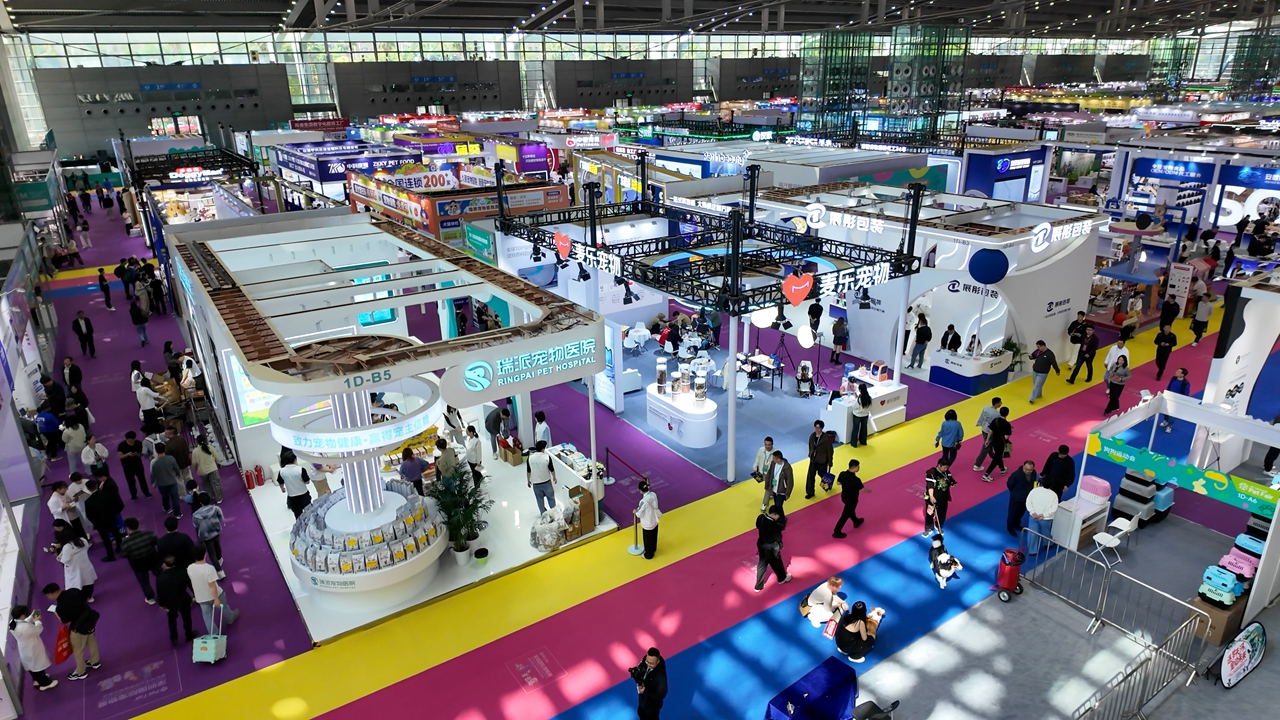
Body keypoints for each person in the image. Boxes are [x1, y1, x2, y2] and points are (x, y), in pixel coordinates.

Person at [42, 583, 99, 681]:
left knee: (78, 650)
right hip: (90, 620)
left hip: (79, 628)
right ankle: (95, 661)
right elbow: (84, 599)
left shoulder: (60, 607)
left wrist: (56, 614)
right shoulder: (73, 591)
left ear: (51, 594)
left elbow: (66, 622)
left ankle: (81, 671)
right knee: (91, 641)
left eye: (47, 595)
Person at [188, 543, 240, 634]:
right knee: (224, 606)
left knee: (207, 616)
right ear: (205, 554)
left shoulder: (190, 568)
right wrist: (216, 598)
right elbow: (212, 585)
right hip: (214, 595)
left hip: (201, 597)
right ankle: (230, 617)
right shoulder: (209, 568)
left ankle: (214, 633)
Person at [10, 606, 58, 691]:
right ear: (21, 615)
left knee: (32, 666)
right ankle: (45, 684)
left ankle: (37, 680)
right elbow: (38, 630)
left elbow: (24, 622)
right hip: (32, 649)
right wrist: (37, 621)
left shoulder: (12, 623)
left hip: (25, 649)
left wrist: (31, 617)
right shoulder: (25, 628)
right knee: (38, 667)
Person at [156, 556, 196, 647]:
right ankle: (189, 634)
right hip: (183, 599)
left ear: (165, 565)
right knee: (187, 618)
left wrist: (161, 604)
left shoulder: (160, 578)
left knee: (172, 620)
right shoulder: (182, 572)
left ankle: (174, 638)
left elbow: (160, 592)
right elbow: (190, 584)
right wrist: (195, 594)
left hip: (170, 602)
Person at [119, 518, 160, 605]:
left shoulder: (125, 542)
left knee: (144, 582)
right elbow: (157, 543)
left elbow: (123, 554)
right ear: (138, 525)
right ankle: (165, 591)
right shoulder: (149, 534)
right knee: (160, 575)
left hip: (138, 565)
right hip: (153, 560)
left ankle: (150, 598)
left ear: (128, 528)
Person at [83, 478, 123, 561]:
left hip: (100, 523)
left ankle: (110, 556)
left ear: (88, 489)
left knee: (106, 539)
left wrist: (96, 522)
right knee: (116, 533)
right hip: (111, 518)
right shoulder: (106, 494)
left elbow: (89, 515)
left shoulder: (88, 502)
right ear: (96, 485)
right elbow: (113, 505)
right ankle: (120, 548)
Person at [753, 505, 791, 592]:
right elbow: (778, 537)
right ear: (773, 515)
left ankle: (758, 586)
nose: (778, 518)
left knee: (762, 565)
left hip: (761, 544)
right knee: (777, 563)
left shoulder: (760, 518)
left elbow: (757, 526)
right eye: (778, 516)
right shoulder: (774, 525)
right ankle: (782, 578)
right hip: (771, 548)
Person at [832, 459, 868, 537]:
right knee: (845, 515)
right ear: (854, 467)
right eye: (858, 466)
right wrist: (869, 491)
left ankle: (856, 521)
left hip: (844, 497)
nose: (859, 468)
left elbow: (838, 483)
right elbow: (862, 489)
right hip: (852, 500)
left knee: (850, 511)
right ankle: (836, 531)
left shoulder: (842, 474)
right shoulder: (856, 480)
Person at [192, 493, 225, 577]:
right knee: (218, 546)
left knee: (212, 554)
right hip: (216, 532)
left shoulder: (195, 515)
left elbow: (196, 527)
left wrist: (199, 538)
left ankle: (220, 572)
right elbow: (221, 519)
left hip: (206, 537)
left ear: (200, 503)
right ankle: (219, 559)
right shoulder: (216, 509)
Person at [57, 535, 97, 602]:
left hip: (74, 569)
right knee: (88, 582)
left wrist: (60, 558)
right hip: (85, 565)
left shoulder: (67, 546)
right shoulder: (83, 540)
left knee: (76, 585)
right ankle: (89, 597)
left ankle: (80, 600)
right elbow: (87, 548)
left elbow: (64, 560)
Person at [150, 442, 184, 518]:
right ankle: (177, 513)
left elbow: (153, 474)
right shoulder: (171, 458)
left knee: (164, 497)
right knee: (175, 498)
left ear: (156, 451)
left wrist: (152, 483)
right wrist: (178, 474)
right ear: (164, 449)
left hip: (161, 483)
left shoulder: (154, 462)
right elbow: (177, 468)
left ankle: (167, 508)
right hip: (172, 482)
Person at [633, 648, 668, 720]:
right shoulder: (645, 660)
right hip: (643, 701)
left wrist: (644, 691)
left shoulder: (660, 677)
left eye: (651, 663)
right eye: (647, 661)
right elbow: (641, 666)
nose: (648, 665)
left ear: (657, 662)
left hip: (652, 707)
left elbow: (661, 695)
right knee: (640, 713)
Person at [924, 458, 956, 536]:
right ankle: (928, 528)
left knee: (942, 514)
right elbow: (930, 486)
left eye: (947, 467)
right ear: (939, 465)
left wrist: (952, 483)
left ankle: (938, 526)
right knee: (930, 513)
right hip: (933, 497)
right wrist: (931, 496)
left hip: (943, 497)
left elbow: (950, 480)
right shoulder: (931, 473)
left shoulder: (946, 472)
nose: (946, 469)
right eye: (944, 467)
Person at [981, 406, 1013, 483]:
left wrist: (987, 440)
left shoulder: (995, 420)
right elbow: (1006, 437)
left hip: (994, 442)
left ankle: (1002, 469)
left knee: (998, 456)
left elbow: (990, 431)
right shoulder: (1007, 424)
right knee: (996, 458)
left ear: (999, 412)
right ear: (1007, 414)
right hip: (1001, 444)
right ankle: (986, 474)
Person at [277, 450, 313, 518]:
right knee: (309, 512)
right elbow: (307, 482)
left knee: (297, 514)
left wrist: (282, 488)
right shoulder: (301, 469)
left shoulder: (281, 471)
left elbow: (280, 482)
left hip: (292, 497)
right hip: (304, 494)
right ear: (295, 460)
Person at [525, 440, 558, 514]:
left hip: (536, 483)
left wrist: (528, 480)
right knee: (551, 498)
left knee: (539, 500)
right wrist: (554, 477)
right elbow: (551, 469)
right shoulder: (547, 457)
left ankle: (544, 514)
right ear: (543, 449)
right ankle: (554, 513)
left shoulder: (530, 458)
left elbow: (528, 471)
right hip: (546, 482)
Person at [1025, 484, 1059, 554]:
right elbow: (1053, 508)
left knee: (1032, 533)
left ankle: (1032, 550)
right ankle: (1048, 544)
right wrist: (1044, 515)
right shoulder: (1053, 495)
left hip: (1033, 516)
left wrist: (1032, 512)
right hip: (1046, 518)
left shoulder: (1034, 491)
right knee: (1046, 532)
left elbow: (1028, 502)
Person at [117, 431, 151, 500]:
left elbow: (141, 454)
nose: (133, 440)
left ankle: (146, 492)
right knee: (130, 481)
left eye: (133, 439)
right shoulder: (122, 445)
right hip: (127, 467)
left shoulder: (138, 443)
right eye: (131, 439)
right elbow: (120, 456)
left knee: (142, 479)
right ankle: (133, 495)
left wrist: (137, 454)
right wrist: (128, 454)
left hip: (138, 465)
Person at [971, 397, 1003, 471]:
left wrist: (980, 424)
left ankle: (992, 455)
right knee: (986, 447)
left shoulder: (986, 408)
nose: (1001, 403)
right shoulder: (997, 414)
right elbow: (996, 425)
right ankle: (977, 464)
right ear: (997, 403)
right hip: (990, 432)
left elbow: (982, 417)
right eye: (1000, 402)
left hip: (984, 429)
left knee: (988, 445)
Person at [1006, 460, 1036, 537]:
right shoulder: (1016, 475)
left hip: (1026, 497)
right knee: (1012, 513)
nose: (1028, 471)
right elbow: (1009, 484)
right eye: (1026, 469)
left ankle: (1016, 524)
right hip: (1016, 497)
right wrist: (1015, 492)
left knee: (1021, 512)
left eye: (1030, 470)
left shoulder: (1034, 473)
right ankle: (1010, 527)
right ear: (1023, 467)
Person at [805, 420, 834, 499]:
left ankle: (828, 484)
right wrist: (810, 454)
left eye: (818, 428)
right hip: (813, 460)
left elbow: (830, 451)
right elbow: (810, 446)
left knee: (823, 475)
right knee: (810, 477)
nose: (817, 429)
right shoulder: (812, 436)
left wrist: (830, 462)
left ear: (822, 428)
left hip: (822, 460)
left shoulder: (826, 438)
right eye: (816, 428)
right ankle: (810, 492)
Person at [1158, 368, 1192, 433]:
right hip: (1168, 397)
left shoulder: (1185, 383)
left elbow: (1186, 394)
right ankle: (1166, 420)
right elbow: (1169, 386)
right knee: (1164, 411)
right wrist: (1166, 393)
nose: (1176, 372)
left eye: (1179, 372)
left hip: (1177, 401)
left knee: (1172, 414)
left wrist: (1181, 400)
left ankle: (1169, 426)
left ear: (1182, 374)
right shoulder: (1173, 378)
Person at [635, 480, 662, 560]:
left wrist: (635, 512)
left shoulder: (643, 501)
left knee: (648, 540)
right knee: (654, 536)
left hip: (647, 523)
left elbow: (639, 514)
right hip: (655, 520)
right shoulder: (653, 494)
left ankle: (649, 555)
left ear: (640, 491)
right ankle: (653, 549)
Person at [191, 435, 222, 503]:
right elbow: (216, 457)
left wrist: (196, 469)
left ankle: (210, 496)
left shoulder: (195, 451)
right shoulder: (210, 447)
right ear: (205, 440)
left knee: (206, 484)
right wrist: (219, 463)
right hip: (212, 469)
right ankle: (219, 498)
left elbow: (194, 463)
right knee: (215, 483)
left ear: (197, 442)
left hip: (202, 471)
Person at [754, 436, 776, 510]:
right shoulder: (761, 450)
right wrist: (755, 466)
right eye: (766, 444)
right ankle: (772, 494)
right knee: (769, 485)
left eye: (769, 445)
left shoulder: (775, 452)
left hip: (770, 473)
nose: (767, 446)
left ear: (772, 444)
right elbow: (758, 458)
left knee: (768, 488)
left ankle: (764, 503)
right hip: (762, 471)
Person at [849, 383, 872, 447]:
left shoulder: (859, 399)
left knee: (855, 429)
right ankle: (863, 441)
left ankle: (854, 443)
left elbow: (854, 406)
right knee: (864, 428)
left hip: (857, 415)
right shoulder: (869, 398)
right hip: (865, 415)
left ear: (860, 390)